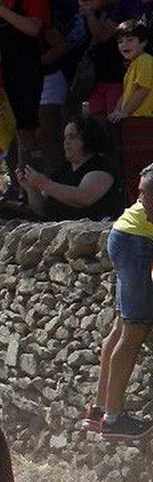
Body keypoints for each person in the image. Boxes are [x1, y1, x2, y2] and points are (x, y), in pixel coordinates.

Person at [87, 164, 153, 441]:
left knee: (120, 327)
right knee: (134, 329)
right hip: (136, 241)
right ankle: (114, 420)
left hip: (125, 234)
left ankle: (100, 409)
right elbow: (148, 187)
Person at [0, 0, 52, 178]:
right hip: (1, 71)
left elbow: (34, 28)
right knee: (4, 128)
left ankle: (31, 182)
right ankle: (15, 180)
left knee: (26, 129)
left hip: (26, 72)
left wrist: (0, 11)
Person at [2, 117, 119, 222]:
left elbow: (84, 198)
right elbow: (40, 211)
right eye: (65, 137)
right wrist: (31, 189)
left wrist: (44, 183)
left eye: (72, 137)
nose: (66, 142)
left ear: (88, 138)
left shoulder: (101, 167)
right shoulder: (62, 171)